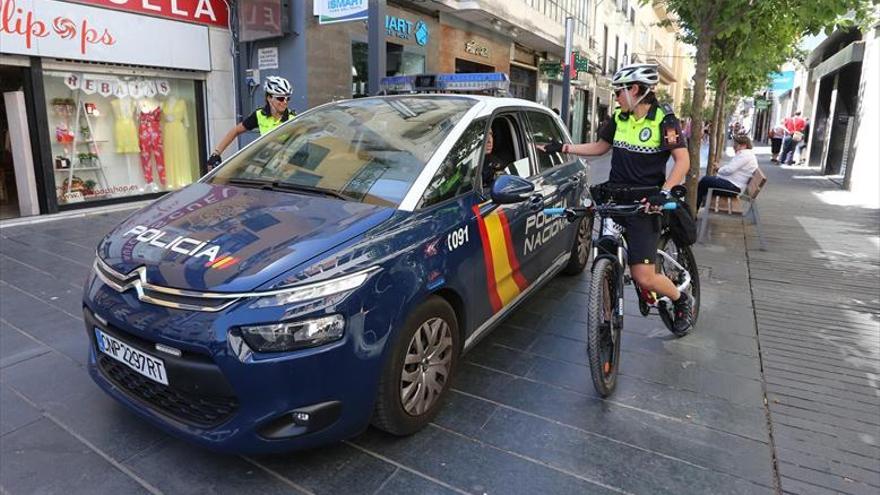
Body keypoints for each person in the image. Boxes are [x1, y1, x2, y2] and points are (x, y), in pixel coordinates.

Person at [541, 63, 693, 334]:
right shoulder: (620, 118)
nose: (617, 97)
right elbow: (600, 148)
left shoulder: (663, 120)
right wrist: (562, 147)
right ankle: (606, 315)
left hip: (646, 205)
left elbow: (682, 162)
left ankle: (682, 300)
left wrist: (664, 192)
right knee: (606, 252)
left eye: (619, 91)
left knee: (643, 276)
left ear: (635, 89)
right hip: (615, 199)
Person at [207, 76, 294, 169]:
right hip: (264, 163)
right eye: (280, 98)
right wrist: (216, 154)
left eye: (287, 98)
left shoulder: (292, 119)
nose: (285, 102)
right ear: (269, 98)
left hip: (284, 166)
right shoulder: (260, 115)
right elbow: (235, 131)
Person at [696, 134, 758, 208]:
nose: (733, 147)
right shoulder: (746, 154)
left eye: (736, 145)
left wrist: (718, 169)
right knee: (706, 182)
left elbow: (729, 170)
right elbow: (730, 167)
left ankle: (694, 210)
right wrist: (720, 169)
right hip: (734, 185)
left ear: (744, 145)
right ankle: (699, 206)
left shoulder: (745, 155)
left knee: (704, 181)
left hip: (734, 188)